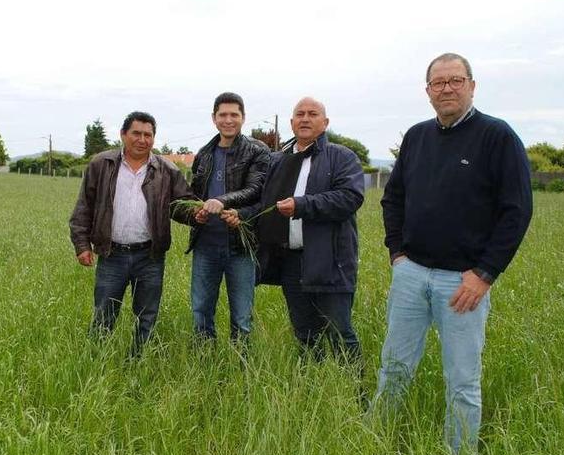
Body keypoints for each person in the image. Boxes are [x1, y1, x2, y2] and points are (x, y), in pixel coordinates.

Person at [374, 53, 533, 455]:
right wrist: (397, 254)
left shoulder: (498, 137)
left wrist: (484, 274)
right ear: (427, 91)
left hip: (462, 282)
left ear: (472, 86)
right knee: (393, 369)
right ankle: (375, 444)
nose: (447, 88)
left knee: (462, 380)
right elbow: (393, 199)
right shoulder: (416, 136)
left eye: (455, 81)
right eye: (438, 83)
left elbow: (517, 211)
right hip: (411, 275)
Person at [224, 97, 365, 366]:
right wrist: (241, 215)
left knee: (339, 332)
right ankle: (314, 383)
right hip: (290, 262)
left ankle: (355, 393)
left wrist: (302, 205)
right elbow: (266, 205)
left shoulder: (342, 157)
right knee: (304, 332)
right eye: (299, 114)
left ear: (325, 123)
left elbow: (349, 198)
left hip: (330, 261)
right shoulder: (279, 160)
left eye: (313, 114)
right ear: (291, 123)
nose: (305, 118)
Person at [69, 111, 194, 356]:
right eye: (136, 133)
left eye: (148, 135)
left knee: (147, 315)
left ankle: (138, 360)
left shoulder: (166, 170)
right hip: (112, 254)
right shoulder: (101, 164)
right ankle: (97, 360)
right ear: (123, 135)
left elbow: (182, 205)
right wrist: (82, 245)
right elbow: (85, 206)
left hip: (150, 256)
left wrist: (196, 214)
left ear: (154, 139)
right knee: (104, 313)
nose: (142, 139)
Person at [187, 92, 270, 342]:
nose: (228, 120)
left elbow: (257, 190)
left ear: (243, 118)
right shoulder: (204, 154)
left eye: (234, 114)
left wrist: (227, 204)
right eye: (222, 114)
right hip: (205, 247)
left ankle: (240, 368)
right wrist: (196, 213)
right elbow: (194, 195)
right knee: (201, 311)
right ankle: (204, 366)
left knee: (242, 317)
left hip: (241, 247)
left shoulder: (258, 151)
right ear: (214, 119)